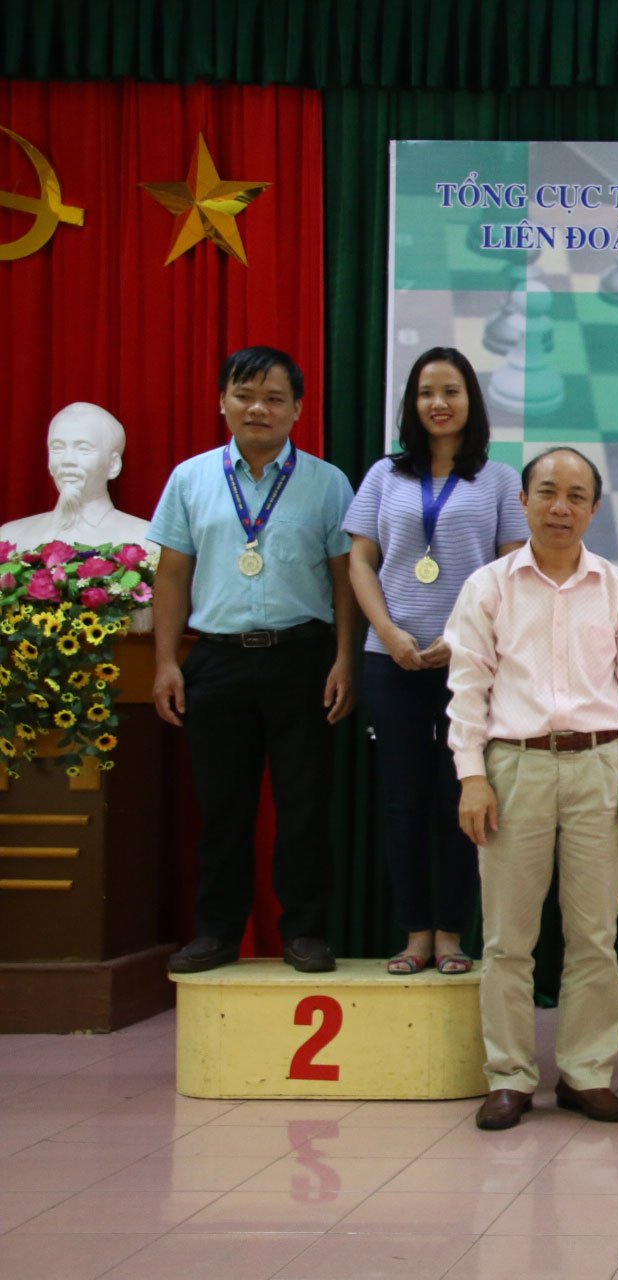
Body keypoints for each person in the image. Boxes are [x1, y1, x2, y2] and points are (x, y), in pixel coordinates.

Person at [444, 447, 618, 1131]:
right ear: (524, 502)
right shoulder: (489, 586)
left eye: (575, 496)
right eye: (546, 493)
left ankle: (585, 1074)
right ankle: (509, 1076)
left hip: (600, 767)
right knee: (507, 938)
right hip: (514, 768)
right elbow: (467, 689)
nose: (560, 508)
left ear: (593, 509)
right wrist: (471, 775)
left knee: (593, 935)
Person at [150, 347, 357, 975]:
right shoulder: (190, 479)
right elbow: (172, 574)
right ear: (223, 402)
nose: (257, 408)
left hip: (303, 659)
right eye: (244, 395)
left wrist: (346, 659)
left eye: (273, 398)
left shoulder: (327, 482)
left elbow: (346, 579)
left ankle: (305, 932)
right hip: (216, 661)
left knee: (304, 809)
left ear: (298, 408)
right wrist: (165, 662)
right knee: (223, 810)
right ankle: (217, 933)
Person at [345, 347, 528, 976]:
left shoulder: (498, 479)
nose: (438, 403)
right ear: (412, 403)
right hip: (390, 660)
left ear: (471, 400)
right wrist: (387, 631)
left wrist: (466, 637)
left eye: (451, 391)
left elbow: (511, 573)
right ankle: (414, 934)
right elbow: (360, 561)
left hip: (468, 665)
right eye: (426, 392)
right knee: (402, 804)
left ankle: (452, 934)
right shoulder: (383, 475)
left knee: (462, 799)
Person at [0, 402, 156, 553]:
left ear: (113, 465)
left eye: (83, 449)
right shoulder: (10, 538)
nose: (67, 460)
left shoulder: (145, 542)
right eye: (57, 448)